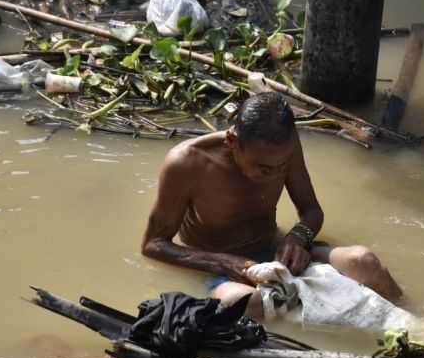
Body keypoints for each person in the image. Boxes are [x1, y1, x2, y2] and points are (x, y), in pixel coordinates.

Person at [141, 92, 403, 318]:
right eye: (264, 168)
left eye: (282, 166)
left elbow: (311, 211)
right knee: (247, 304)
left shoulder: (285, 147)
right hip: (222, 266)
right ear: (232, 142)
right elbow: (153, 245)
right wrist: (227, 264)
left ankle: (419, 328)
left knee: (364, 261)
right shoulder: (187, 162)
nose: (275, 174)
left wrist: (297, 239)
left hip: (277, 251)